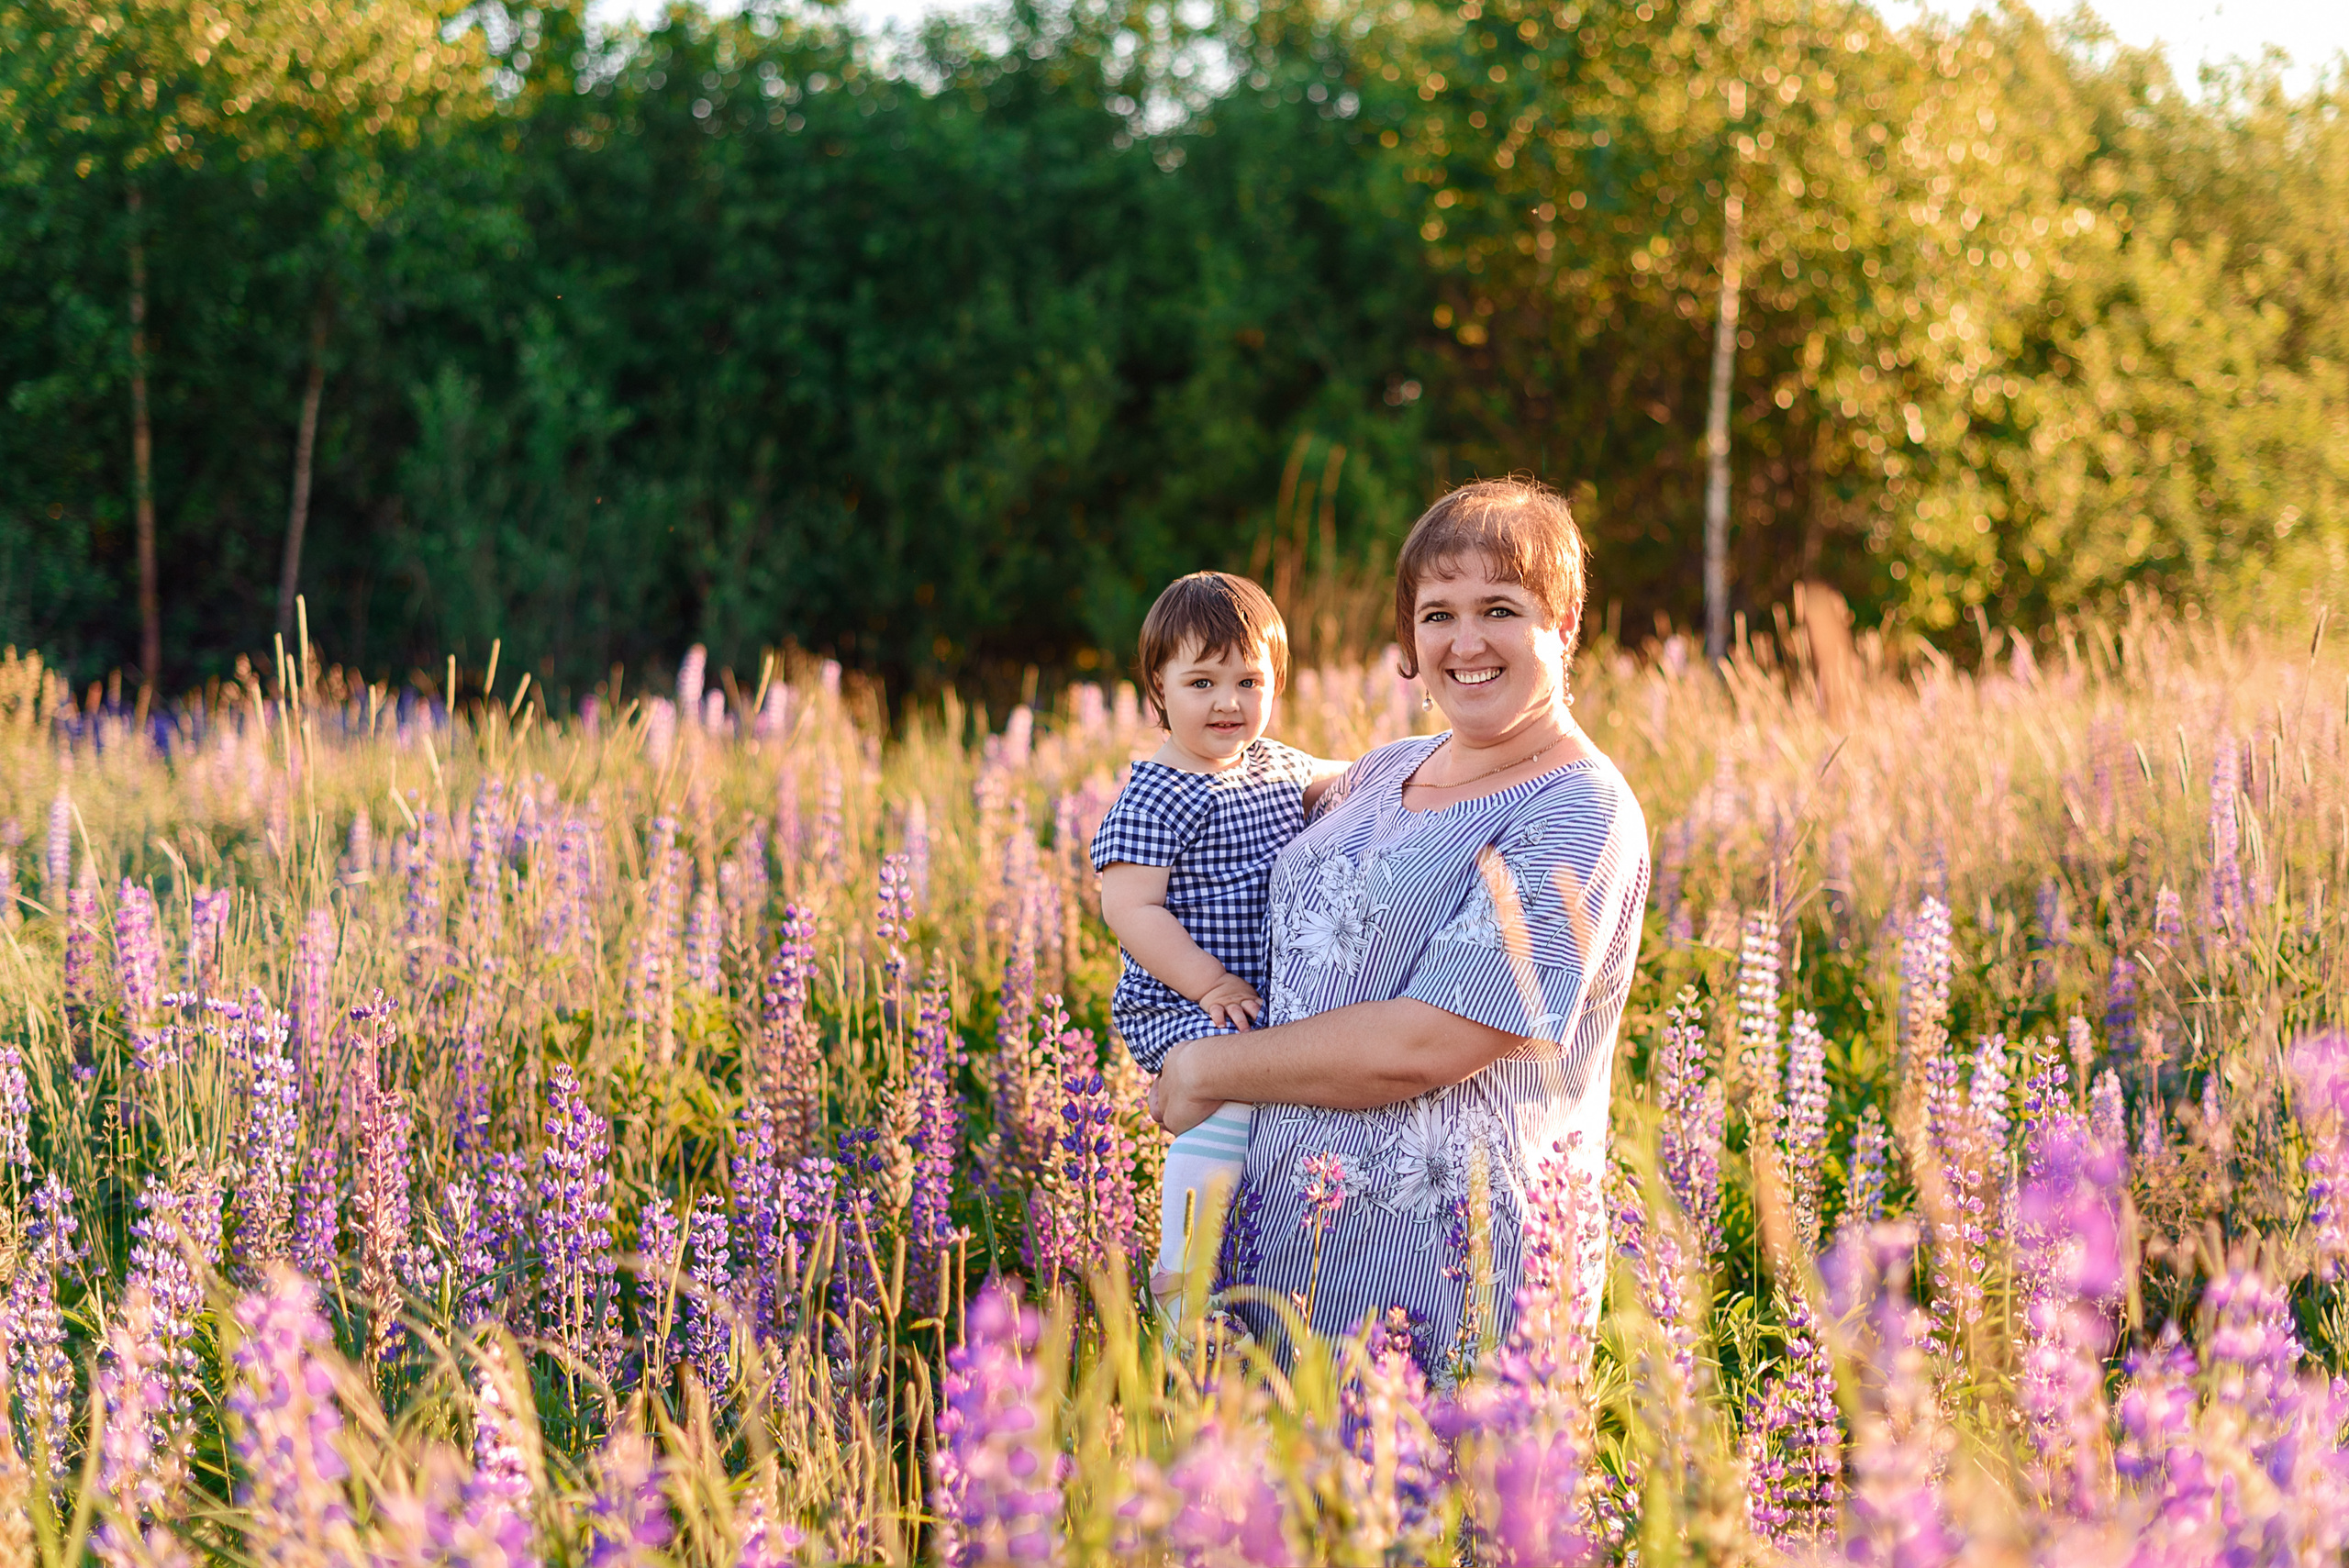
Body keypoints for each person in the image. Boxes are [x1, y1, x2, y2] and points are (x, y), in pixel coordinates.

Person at [1148, 478, 1648, 1375]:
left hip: (1444, 1296)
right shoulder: (1386, 770)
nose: (1465, 641)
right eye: (1436, 612)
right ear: (1409, 641)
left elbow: (1421, 1042)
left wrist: (1202, 1066)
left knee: (1421, 1514)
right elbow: (1234, 786)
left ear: (1563, 620)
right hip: (1270, 1261)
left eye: (1500, 607)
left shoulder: (1579, 807)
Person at [1089, 572, 1346, 1308]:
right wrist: (1206, 982)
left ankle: (1260, 1282)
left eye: (1249, 680)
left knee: (1279, 1126)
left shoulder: (1276, 765)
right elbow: (1130, 908)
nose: (1228, 702)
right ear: (1158, 690)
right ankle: (1181, 1282)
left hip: (1259, 996)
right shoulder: (1157, 792)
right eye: (1202, 682)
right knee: (1229, 1108)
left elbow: (1351, 777)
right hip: (1184, 997)